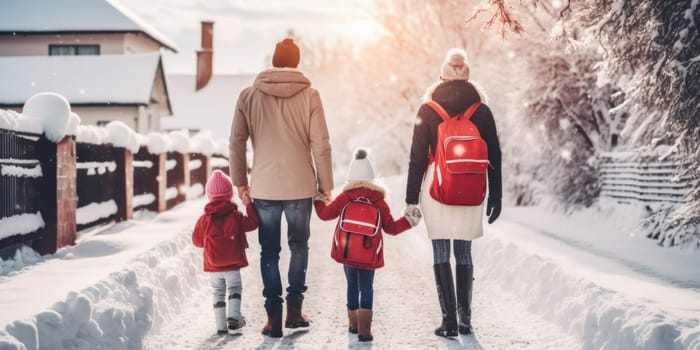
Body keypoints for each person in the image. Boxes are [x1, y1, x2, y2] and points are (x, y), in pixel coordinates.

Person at [229, 38, 333, 338]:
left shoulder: (247, 96)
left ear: (273, 61)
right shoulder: (310, 96)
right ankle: (295, 312)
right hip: (300, 185)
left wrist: (240, 182)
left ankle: (273, 319)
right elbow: (321, 144)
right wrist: (326, 185)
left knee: (269, 251)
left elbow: (236, 142)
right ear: (297, 63)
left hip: (264, 188)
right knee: (299, 247)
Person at [404, 48, 502, 337]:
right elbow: (495, 155)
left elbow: (416, 158)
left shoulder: (428, 110)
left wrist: (411, 199)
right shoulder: (482, 111)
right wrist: (496, 195)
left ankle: (448, 322)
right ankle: (465, 320)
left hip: (436, 184)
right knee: (464, 250)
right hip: (472, 184)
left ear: (442, 76)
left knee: (440, 250)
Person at [314, 149, 418, 342]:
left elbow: (326, 215)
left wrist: (319, 201)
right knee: (367, 287)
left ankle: (353, 325)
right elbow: (391, 228)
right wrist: (410, 220)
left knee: (352, 285)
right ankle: (365, 331)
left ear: (350, 176)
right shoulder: (378, 200)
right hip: (369, 254)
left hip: (347, 251)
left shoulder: (346, 197)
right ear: (372, 177)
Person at [192, 170, 259, 334]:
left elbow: (197, 241)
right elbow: (253, 223)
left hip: (214, 265)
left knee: (218, 292)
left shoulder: (204, 219)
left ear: (209, 195)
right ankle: (234, 318)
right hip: (233, 264)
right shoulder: (235, 215)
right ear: (230, 195)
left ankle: (221, 326)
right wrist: (249, 204)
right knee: (234, 288)